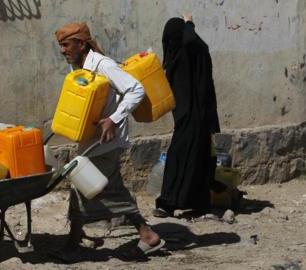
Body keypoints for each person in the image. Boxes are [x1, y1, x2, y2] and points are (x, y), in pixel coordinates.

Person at [53, 22, 164, 261]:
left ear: (81, 44)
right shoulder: (80, 67)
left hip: (106, 140)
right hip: (92, 141)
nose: (62, 50)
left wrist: (113, 119)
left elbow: (136, 89)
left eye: (66, 45)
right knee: (95, 187)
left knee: (86, 187)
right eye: (60, 46)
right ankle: (145, 234)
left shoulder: (103, 65)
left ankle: (75, 243)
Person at [154, 14, 221, 217]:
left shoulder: (193, 50)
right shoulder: (182, 56)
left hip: (194, 116)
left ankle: (169, 203)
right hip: (190, 117)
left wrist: (189, 23)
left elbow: (192, 40)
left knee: (181, 158)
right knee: (194, 159)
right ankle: (195, 202)